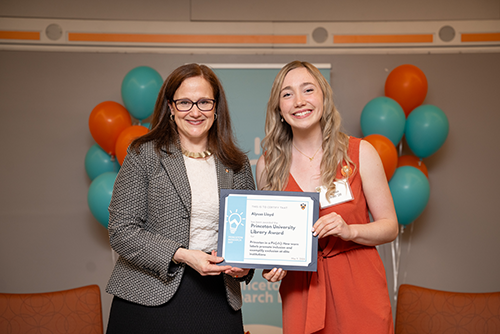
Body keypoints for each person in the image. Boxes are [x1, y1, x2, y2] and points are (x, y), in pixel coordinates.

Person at [106, 63, 255, 334]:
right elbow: (121, 231)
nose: (195, 111)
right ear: (171, 107)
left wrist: (244, 267)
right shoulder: (144, 154)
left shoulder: (237, 163)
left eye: (204, 102)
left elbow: (248, 237)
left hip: (218, 298)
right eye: (184, 102)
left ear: (216, 108)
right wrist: (184, 255)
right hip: (147, 298)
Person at [256, 61, 398, 334]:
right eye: (287, 94)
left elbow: (390, 226)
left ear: (323, 97)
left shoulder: (361, 153)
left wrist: (349, 229)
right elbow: (272, 239)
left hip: (360, 286)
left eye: (307, 90)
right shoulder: (268, 165)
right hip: (302, 290)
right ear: (279, 109)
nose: (299, 101)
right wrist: (272, 264)